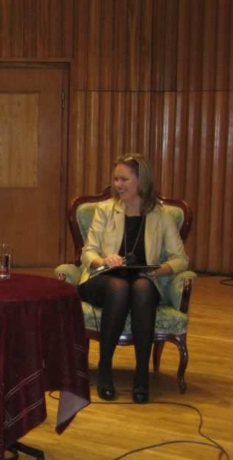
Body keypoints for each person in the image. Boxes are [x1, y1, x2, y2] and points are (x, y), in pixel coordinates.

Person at [78, 154, 188, 403]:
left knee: (142, 288)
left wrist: (158, 271)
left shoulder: (161, 214)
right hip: (103, 279)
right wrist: (104, 260)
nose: (118, 184)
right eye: (116, 179)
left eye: (124, 179)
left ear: (142, 180)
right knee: (119, 287)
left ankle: (141, 375)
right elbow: (87, 253)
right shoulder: (105, 210)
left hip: (142, 279)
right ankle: (104, 369)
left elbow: (181, 259)